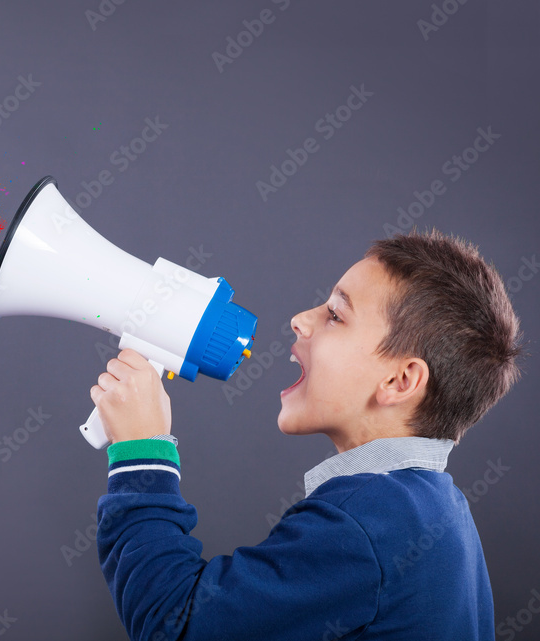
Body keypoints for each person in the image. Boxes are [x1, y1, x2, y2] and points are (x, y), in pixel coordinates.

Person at [91, 227, 524, 641]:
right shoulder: (435, 506)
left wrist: (139, 452)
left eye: (336, 315)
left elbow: (177, 625)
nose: (300, 320)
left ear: (399, 381)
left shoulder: (367, 525)